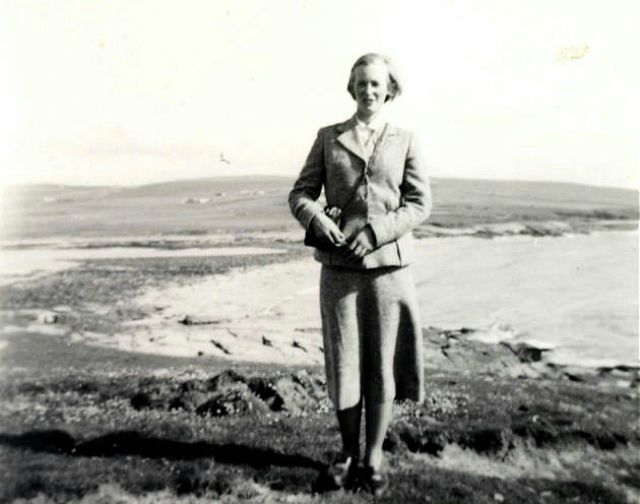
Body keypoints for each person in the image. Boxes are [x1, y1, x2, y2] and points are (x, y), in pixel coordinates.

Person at [288, 53, 432, 495]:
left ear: (389, 90)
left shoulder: (406, 140)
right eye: (361, 84)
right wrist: (316, 219)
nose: (369, 91)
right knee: (345, 364)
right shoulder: (328, 138)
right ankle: (347, 454)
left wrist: (377, 233)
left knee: (383, 366)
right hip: (340, 271)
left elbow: (419, 204)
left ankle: (373, 458)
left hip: (390, 271)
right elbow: (300, 193)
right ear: (351, 89)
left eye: (377, 84)